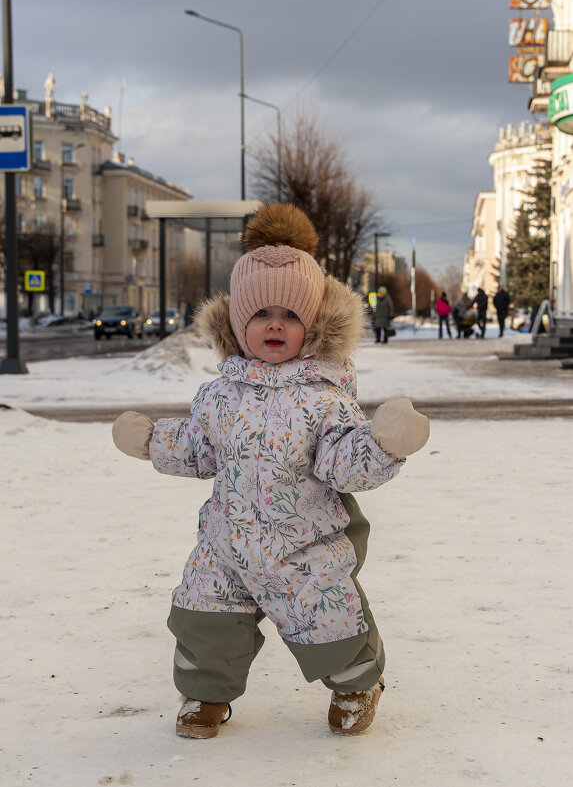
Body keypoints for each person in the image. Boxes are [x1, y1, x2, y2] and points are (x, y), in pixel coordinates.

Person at [112, 203, 430, 740]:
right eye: (260, 314)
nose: (275, 324)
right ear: (239, 322)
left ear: (313, 325)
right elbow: (199, 447)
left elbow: (342, 462)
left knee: (331, 623)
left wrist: (382, 444)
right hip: (226, 542)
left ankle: (357, 684)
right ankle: (204, 696)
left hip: (302, 544)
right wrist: (151, 441)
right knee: (203, 618)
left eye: (290, 314)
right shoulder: (219, 394)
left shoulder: (325, 399)